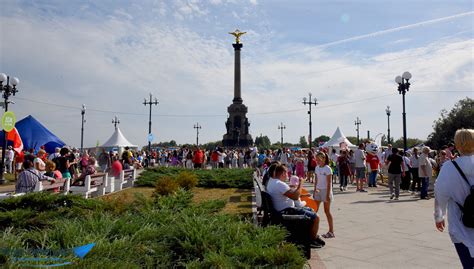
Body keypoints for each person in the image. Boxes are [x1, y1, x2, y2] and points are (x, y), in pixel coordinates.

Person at [434, 129, 474, 268]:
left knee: (468, 265)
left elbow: (440, 193)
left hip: (460, 224)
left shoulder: (449, 168)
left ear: (457, 146)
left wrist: (439, 217)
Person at [266, 164, 325, 248]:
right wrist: (301, 183)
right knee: (316, 217)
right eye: (287, 173)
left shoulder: (272, 181)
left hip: (280, 211)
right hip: (286, 212)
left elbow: (288, 193)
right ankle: (311, 240)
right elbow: (295, 196)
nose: (288, 175)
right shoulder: (279, 184)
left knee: (311, 210)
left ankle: (312, 236)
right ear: (283, 173)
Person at [313, 152, 335, 239]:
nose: (317, 161)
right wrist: (315, 190)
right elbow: (316, 180)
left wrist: (328, 194)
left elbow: (329, 182)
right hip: (318, 190)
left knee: (327, 211)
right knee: (314, 210)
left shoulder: (327, 169)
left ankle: (331, 231)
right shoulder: (317, 168)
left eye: (319, 159)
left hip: (326, 190)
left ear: (324, 159)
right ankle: (313, 231)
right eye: (316, 159)